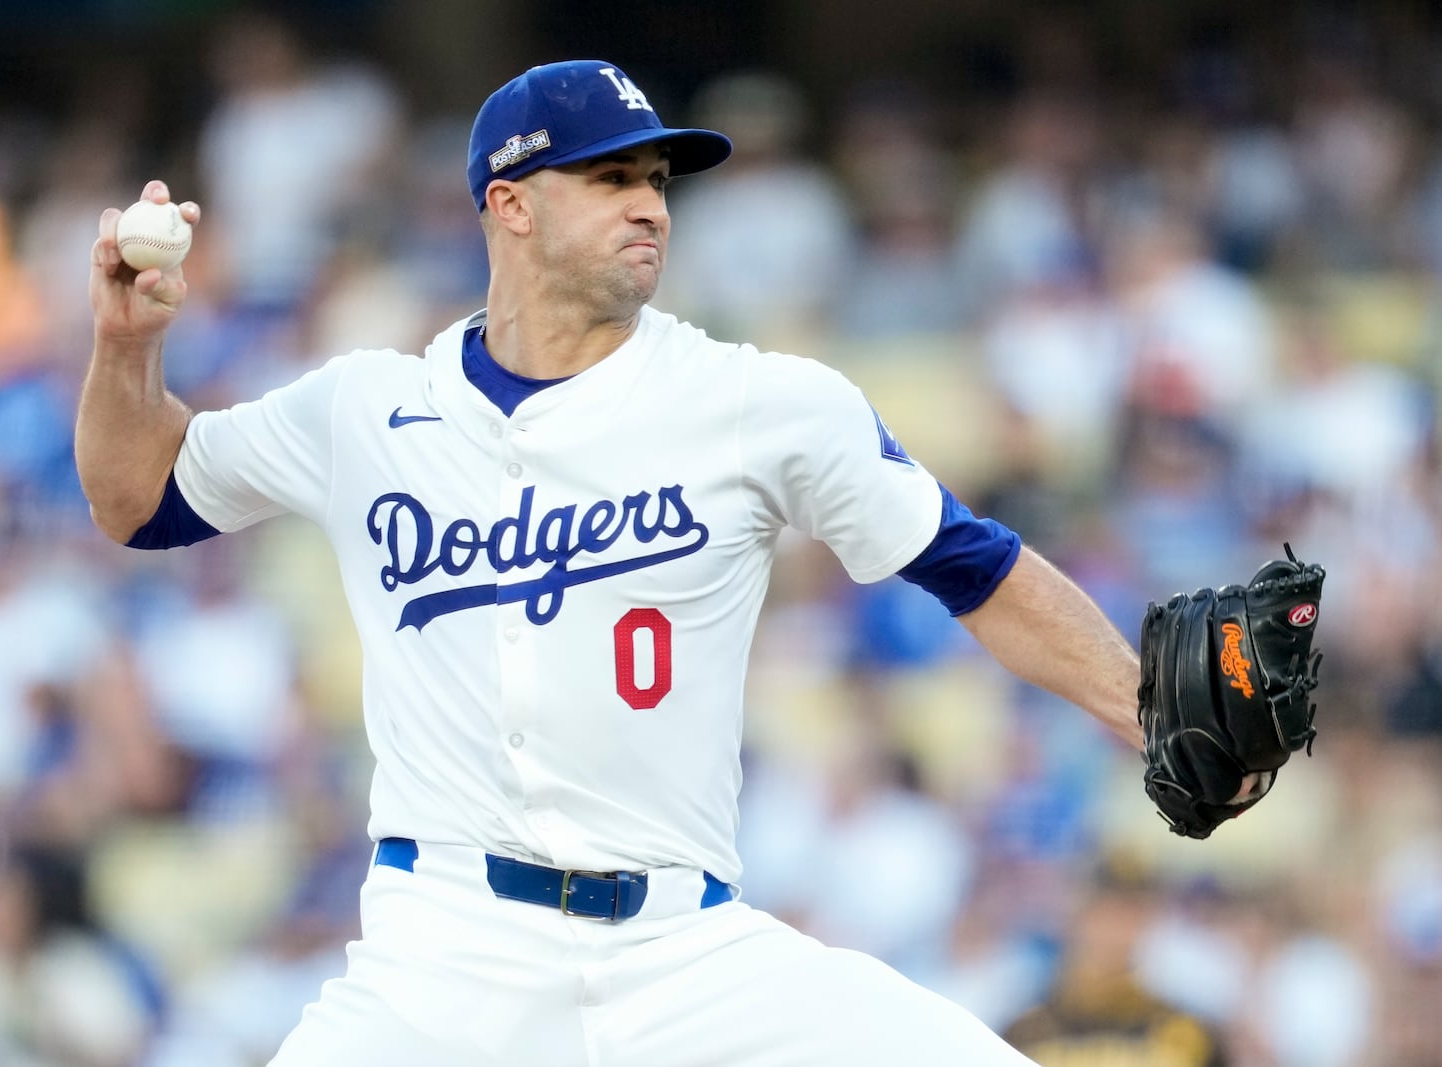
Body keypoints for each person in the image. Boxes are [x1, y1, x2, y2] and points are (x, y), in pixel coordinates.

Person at [80, 59, 1153, 1066]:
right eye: (609, 178)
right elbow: (139, 502)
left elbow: (974, 564)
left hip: (685, 951)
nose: (650, 203)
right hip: (444, 956)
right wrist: (127, 349)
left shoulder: (756, 402)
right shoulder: (363, 408)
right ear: (510, 204)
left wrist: (1147, 711)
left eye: (654, 178)